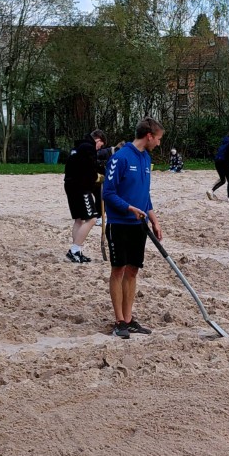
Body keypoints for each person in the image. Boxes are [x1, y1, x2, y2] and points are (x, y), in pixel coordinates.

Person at [101, 117, 164, 339]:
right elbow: (108, 193)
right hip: (119, 224)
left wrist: (154, 219)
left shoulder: (146, 158)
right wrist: (129, 208)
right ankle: (119, 321)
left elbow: (145, 194)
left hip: (140, 225)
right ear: (149, 136)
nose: (159, 143)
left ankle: (129, 319)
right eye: (158, 139)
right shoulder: (120, 158)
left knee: (133, 270)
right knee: (118, 270)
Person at [65, 129, 106, 263]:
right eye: (100, 145)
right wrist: (99, 177)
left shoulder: (77, 147)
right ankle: (74, 250)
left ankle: (76, 251)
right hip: (81, 187)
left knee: (79, 220)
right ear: (98, 139)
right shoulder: (89, 148)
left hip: (70, 185)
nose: (99, 148)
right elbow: (90, 170)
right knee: (92, 219)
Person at [207, 133, 229, 201]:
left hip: (217, 162)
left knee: (223, 180)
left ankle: (211, 191)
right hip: (224, 162)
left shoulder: (223, 144)